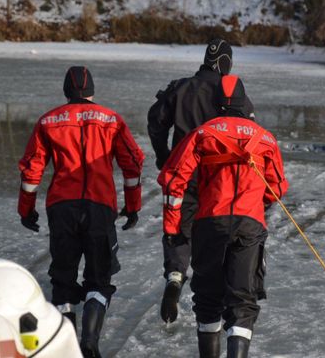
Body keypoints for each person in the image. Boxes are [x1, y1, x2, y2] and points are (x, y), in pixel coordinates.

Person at [17, 66, 144, 358]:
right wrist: (133, 205)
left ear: (66, 91)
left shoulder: (48, 121)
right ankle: (89, 342)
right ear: (91, 91)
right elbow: (132, 165)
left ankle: (66, 347)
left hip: (62, 208)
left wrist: (27, 210)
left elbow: (31, 170)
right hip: (100, 206)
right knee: (99, 280)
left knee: (62, 280)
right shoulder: (111, 120)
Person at [157, 75, 288, 358]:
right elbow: (277, 187)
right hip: (249, 225)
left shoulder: (203, 133)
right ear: (243, 102)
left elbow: (172, 179)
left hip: (209, 223)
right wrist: (256, 201)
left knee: (208, 299)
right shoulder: (264, 137)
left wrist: (172, 226)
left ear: (217, 103)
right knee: (242, 303)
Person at [147, 39, 255, 324]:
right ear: (225, 63)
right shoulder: (233, 95)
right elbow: (250, 133)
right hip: (219, 181)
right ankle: (216, 290)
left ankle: (175, 275)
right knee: (214, 234)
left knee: (179, 228)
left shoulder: (180, 87)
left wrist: (164, 157)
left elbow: (155, 120)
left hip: (183, 173)